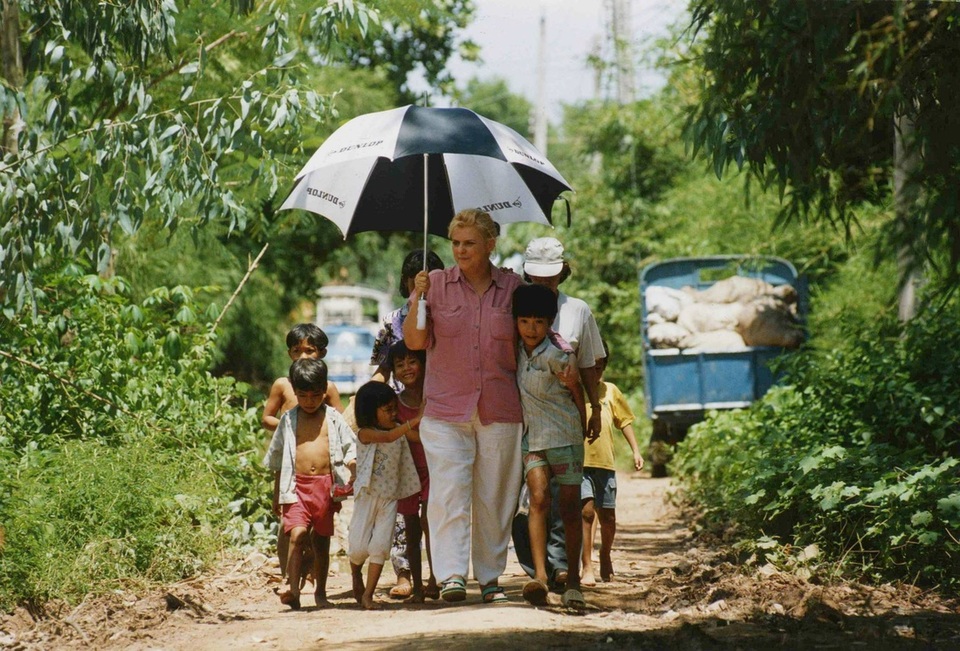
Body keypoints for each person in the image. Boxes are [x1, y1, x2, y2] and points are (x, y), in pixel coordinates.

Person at [403, 208, 523, 606]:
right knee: (448, 495)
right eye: (455, 243)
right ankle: (452, 575)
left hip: (500, 408)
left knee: (495, 497)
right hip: (445, 411)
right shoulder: (433, 285)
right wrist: (418, 296)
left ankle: (490, 577)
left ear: (491, 244)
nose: (459, 250)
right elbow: (416, 343)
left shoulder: (513, 288)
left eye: (469, 243)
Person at [513, 236, 606, 589]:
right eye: (536, 277)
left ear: (563, 272)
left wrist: (595, 408)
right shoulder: (517, 306)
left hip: (565, 421)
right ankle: (542, 571)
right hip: (529, 423)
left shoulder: (577, 310)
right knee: (536, 499)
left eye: (550, 277)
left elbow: (588, 367)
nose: (544, 283)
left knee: (568, 502)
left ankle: (565, 570)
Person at [368, 249, 444, 599]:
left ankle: (439, 574)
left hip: (438, 412)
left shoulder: (448, 317)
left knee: (435, 510)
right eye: (415, 281)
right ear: (405, 283)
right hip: (400, 416)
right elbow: (381, 371)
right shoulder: (392, 322)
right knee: (405, 513)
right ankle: (404, 574)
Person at [513, 283, 590, 610]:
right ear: (516, 322)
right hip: (534, 439)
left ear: (550, 323)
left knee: (570, 509)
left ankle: (573, 581)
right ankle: (540, 578)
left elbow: (577, 394)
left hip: (565, 438)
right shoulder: (514, 349)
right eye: (525, 321)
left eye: (539, 322)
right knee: (539, 501)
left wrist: (587, 418)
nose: (532, 329)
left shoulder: (559, 355)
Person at [262, 358, 357, 610]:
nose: (309, 401)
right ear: (294, 391)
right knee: (297, 533)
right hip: (295, 487)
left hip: (324, 488)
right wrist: (276, 494)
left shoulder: (333, 418)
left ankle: (321, 593)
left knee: (322, 541)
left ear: (324, 391)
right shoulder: (288, 420)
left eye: (315, 395)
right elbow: (278, 459)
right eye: (302, 395)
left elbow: (350, 445)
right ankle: (293, 589)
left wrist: (353, 466)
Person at [261, 323, 344, 586]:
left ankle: (313, 575)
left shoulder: (327, 388)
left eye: (310, 351)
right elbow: (266, 418)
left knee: (318, 528)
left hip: (319, 468)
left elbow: (340, 421)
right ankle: (289, 578)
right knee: (289, 524)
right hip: (289, 462)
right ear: (289, 354)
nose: (304, 357)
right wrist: (292, 427)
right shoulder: (284, 385)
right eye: (297, 351)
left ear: (322, 353)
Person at [349, 381, 422, 610]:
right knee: (358, 548)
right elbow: (389, 437)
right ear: (371, 412)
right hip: (367, 495)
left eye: (394, 408)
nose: (393, 413)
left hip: (390, 497)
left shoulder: (399, 427)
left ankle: (368, 595)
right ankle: (355, 574)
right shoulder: (365, 434)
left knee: (380, 546)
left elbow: (417, 438)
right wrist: (416, 418)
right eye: (387, 409)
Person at [580, 342, 644, 586]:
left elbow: (624, 421)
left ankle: (605, 553)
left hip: (605, 464)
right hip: (580, 463)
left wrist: (636, 451)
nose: (595, 373)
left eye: (599, 368)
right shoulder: (575, 390)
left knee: (608, 517)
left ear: (604, 367)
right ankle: (587, 566)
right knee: (586, 513)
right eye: (590, 368)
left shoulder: (611, 391)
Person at [389, 341, 439, 602]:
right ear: (393, 371)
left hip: (432, 467)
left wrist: (409, 428)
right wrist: (416, 422)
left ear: (423, 363)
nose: (406, 368)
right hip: (406, 472)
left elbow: (422, 435)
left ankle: (435, 579)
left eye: (412, 362)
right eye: (399, 365)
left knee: (429, 523)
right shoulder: (394, 403)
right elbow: (399, 433)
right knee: (410, 528)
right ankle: (417, 585)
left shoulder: (434, 396)